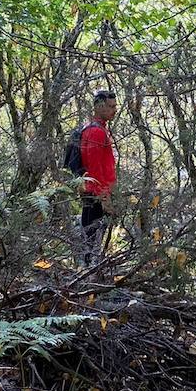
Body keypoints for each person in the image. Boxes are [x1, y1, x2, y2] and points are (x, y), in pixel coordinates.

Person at [78, 90, 118, 264]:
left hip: (93, 190)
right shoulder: (96, 132)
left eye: (115, 106)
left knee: (92, 233)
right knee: (92, 233)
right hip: (95, 192)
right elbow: (94, 167)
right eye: (111, 106)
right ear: (99, 107)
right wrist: (104, 196)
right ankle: (88, 269)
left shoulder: (96, 129)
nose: (114, 110)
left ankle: (89, 267)